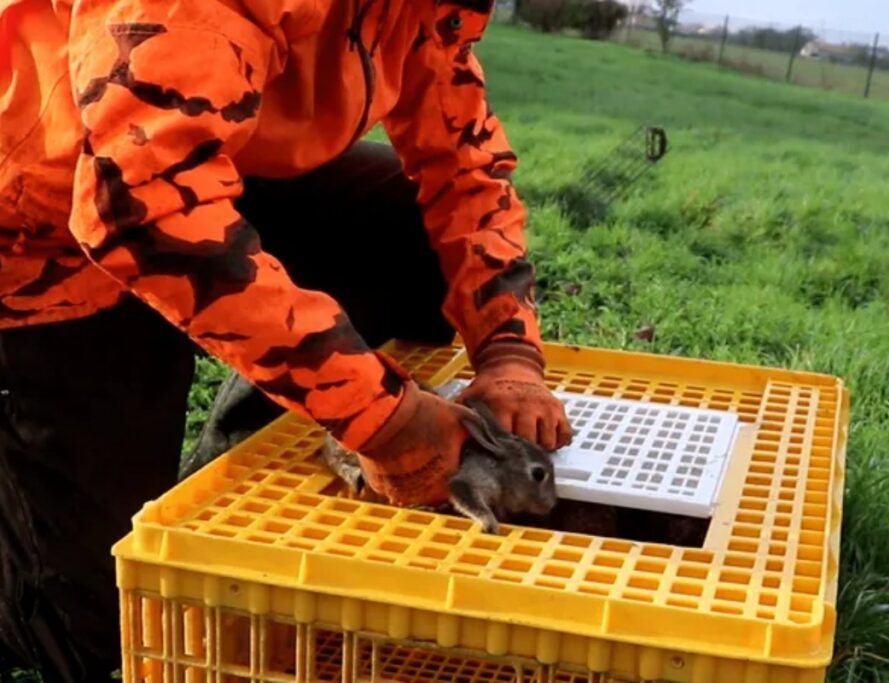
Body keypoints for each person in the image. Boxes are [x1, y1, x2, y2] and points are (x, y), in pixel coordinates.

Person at [0, 1, 572, 680]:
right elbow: (138, 207)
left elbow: (464, 168)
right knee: (119, 626)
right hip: (36, 225)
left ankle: (253, 464)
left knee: (402, 232)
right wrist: (385, 420)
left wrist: (509, 354)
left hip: (208, 164)